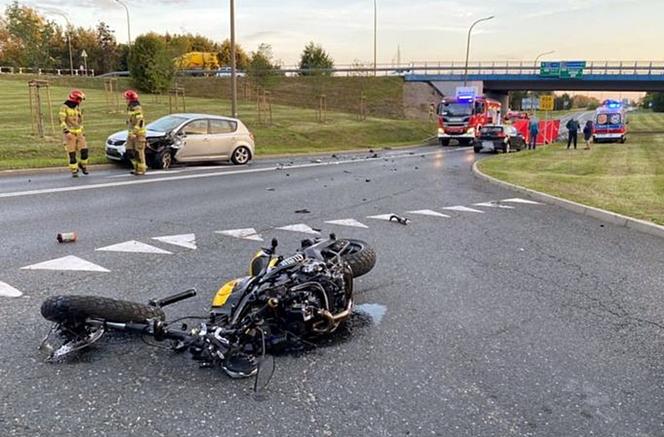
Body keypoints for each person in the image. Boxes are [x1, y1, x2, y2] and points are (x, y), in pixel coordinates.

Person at [58, 90, 89, 177]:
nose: (80, 102)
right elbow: (61, 120)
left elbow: (80, 120)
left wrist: (82, 130)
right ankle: (74, 170)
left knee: (84, 151)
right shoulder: (64, 108)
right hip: (69, 134)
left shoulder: (77, 107)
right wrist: (66, 131)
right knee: (72, 154)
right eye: (79, 99)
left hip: (79, 133)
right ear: (75, 99)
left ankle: (82, 165)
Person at [123, 90, 147, 176]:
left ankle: (141, 169)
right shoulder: (130, 108)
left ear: (131, 99)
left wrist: (134, 132)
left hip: (139, 135)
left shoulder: (137, 108)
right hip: (131, 135)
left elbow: (140, 121)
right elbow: (132, 120)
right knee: (129, 151)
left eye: (126, 99)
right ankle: (136, 167)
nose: (125, 100)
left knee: (139, 152)